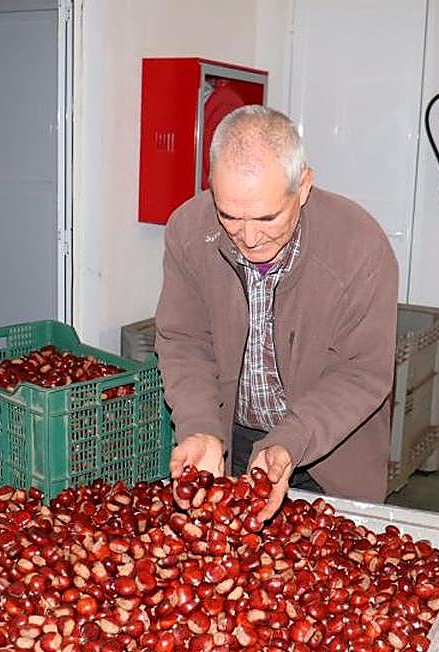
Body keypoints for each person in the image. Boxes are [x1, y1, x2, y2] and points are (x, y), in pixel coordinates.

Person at [154, 105, 398, 518]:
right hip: (230, 441)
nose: (249, 237)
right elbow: (185, 340)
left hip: (330, 453)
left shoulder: (359, 247)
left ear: (303, 187)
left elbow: (362, 371)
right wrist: (199, 427)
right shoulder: (188, 232)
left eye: (267, 218)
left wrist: (289, 440)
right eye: (229, 216)